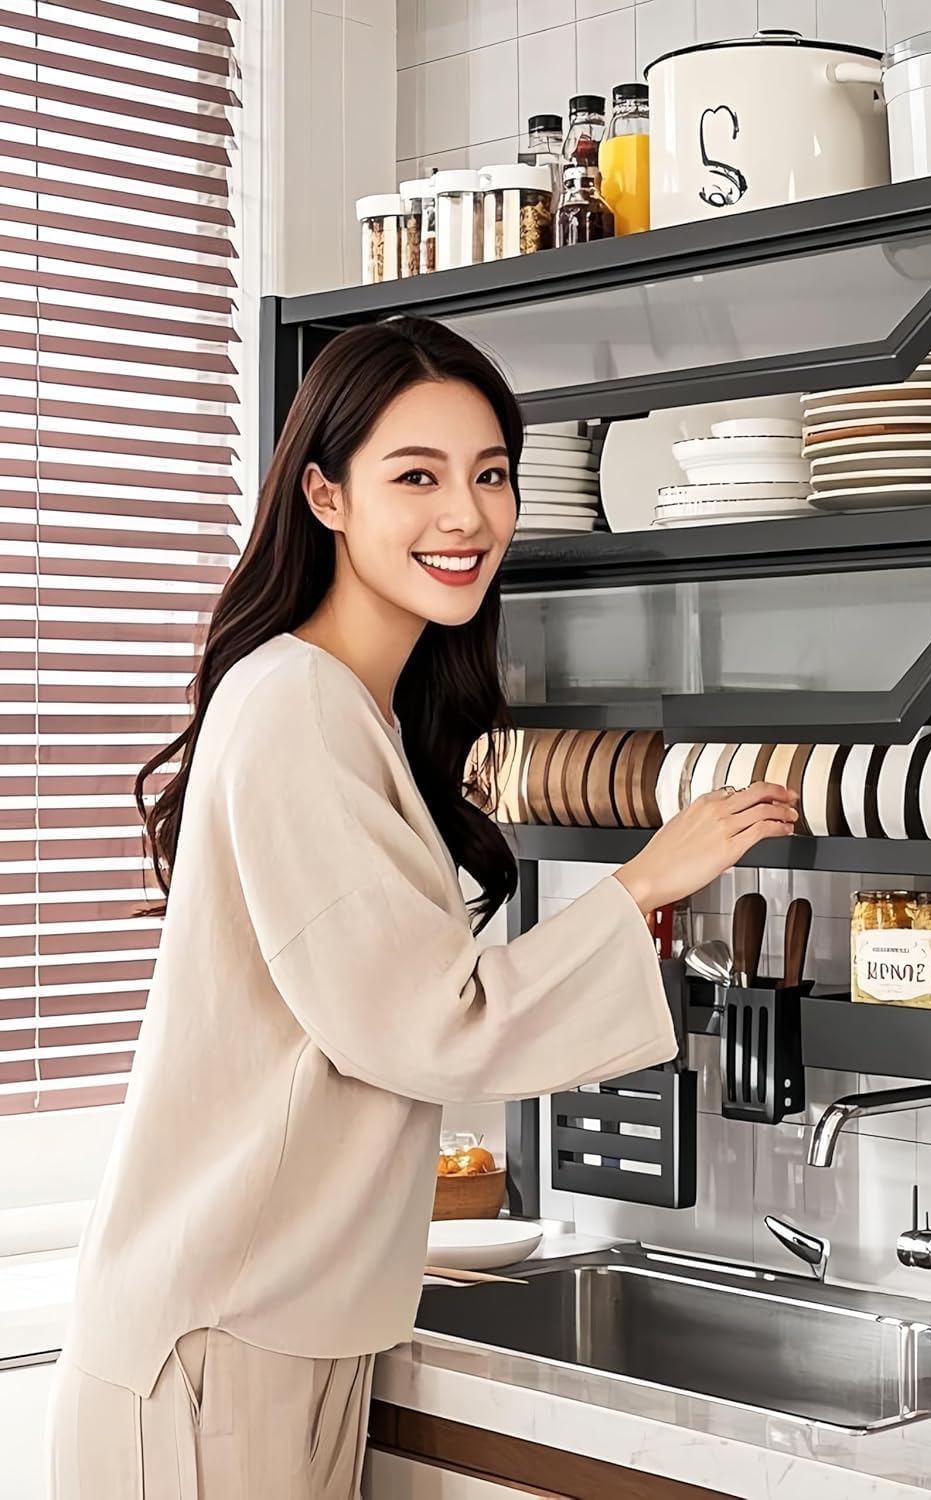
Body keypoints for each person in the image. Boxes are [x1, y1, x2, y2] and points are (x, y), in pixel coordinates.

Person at [44, 316, 797, 1498]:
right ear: (325, 496)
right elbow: (423, 1026)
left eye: (491, 475)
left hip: (276, 1324)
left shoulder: (361, 709)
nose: (469, 515)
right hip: (219, 1345)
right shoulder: (294, 702)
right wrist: (648, 879)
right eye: (418, 476)